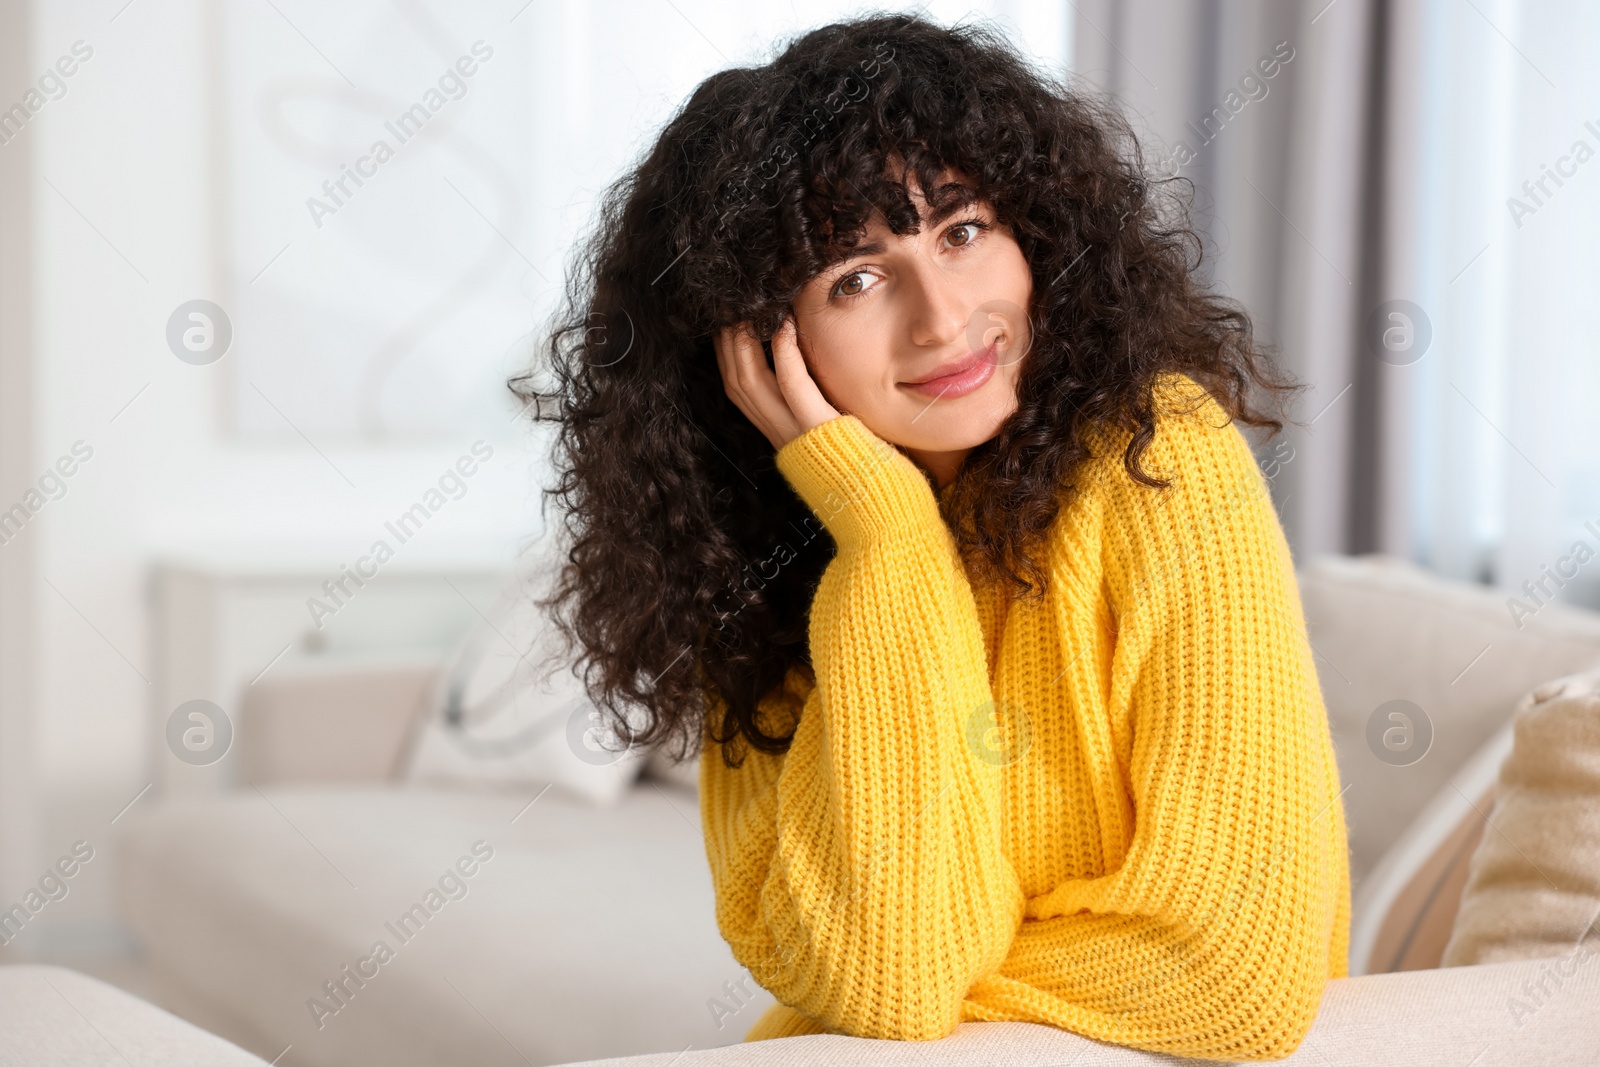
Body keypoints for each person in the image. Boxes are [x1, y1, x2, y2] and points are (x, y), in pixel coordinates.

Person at [511, 13, 1350, 1061]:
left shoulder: (1157, 457)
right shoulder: (759, 573)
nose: (943, 319)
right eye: (853, 279)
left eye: (961, 231)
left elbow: (1231, 977)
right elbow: (892, 970)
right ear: (755, 349)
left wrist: (943, 982)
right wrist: (886, 536)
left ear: (1037, 230)